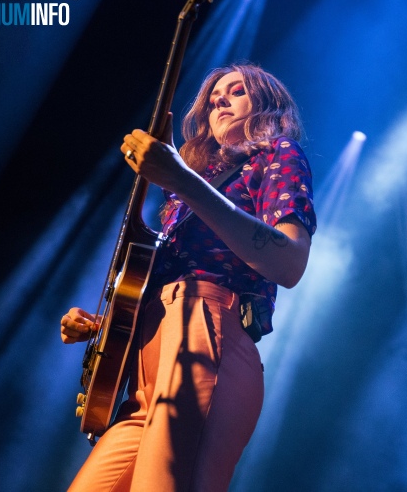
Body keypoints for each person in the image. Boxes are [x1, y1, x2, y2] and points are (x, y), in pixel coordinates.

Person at [59, 63, 316, 491]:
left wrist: (181, 178)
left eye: (236, 91)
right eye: (215, 96)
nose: (220, 100)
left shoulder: (278, 154)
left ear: (268, 106)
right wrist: (105, 326)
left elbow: (289, 263)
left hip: (207, 331)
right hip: (146, 371)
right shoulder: (189, 190)